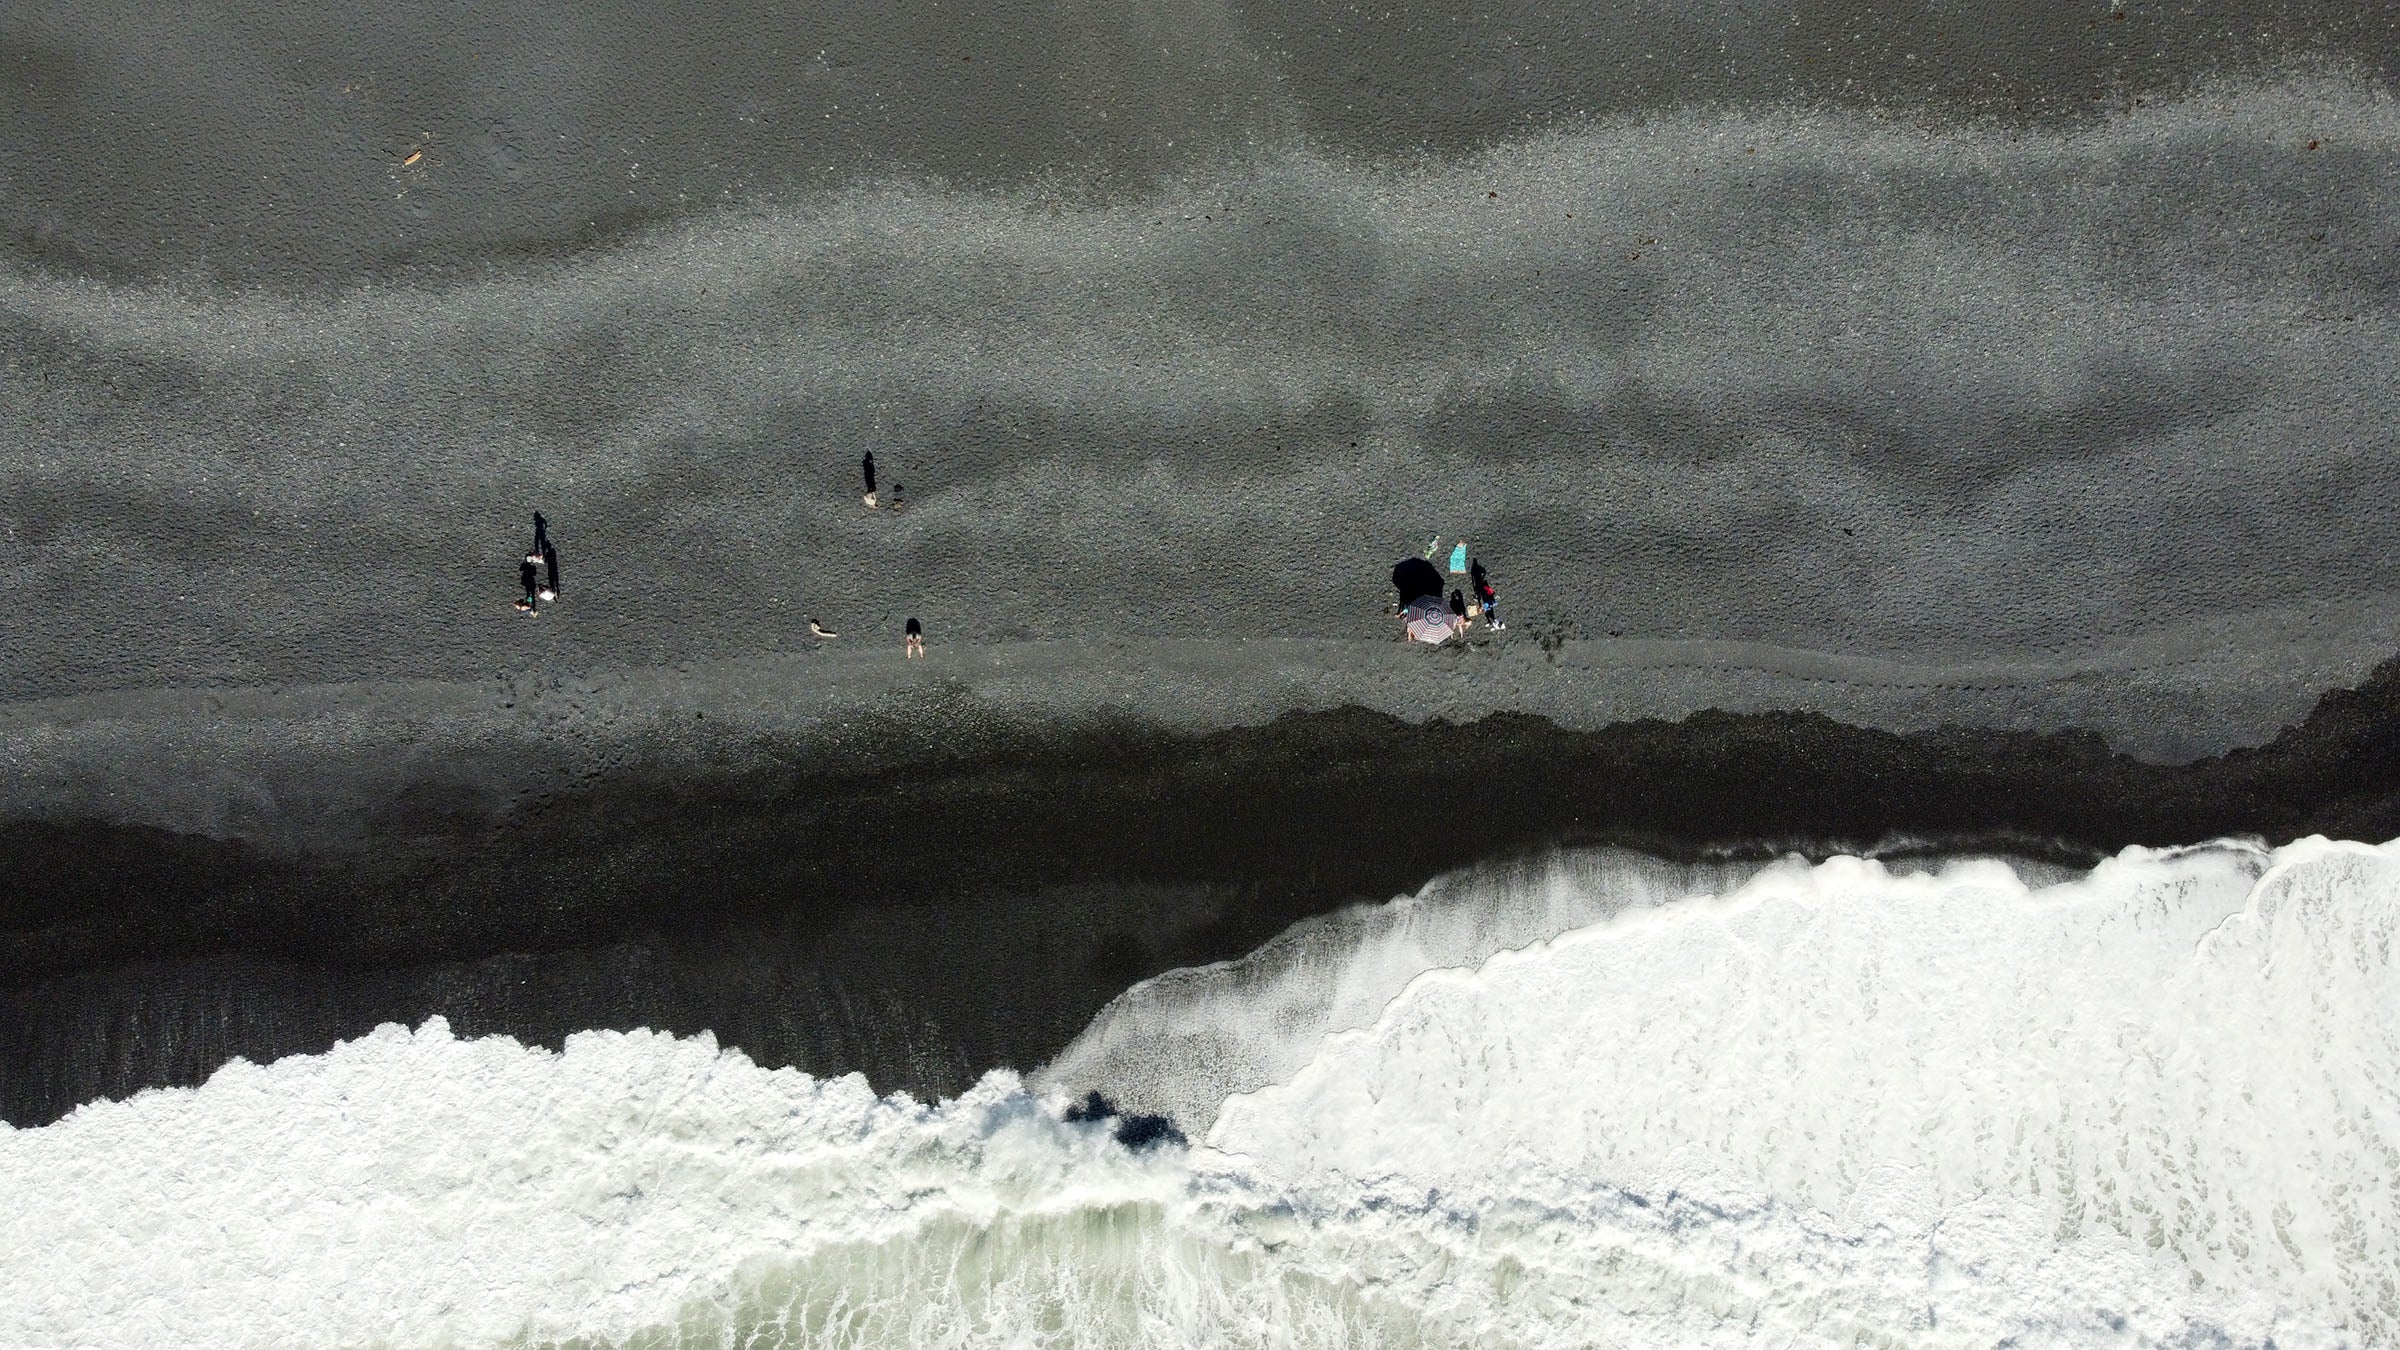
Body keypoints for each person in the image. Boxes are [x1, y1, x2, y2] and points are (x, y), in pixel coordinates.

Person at [1470, 557, 1502, 630]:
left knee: (1488, 612)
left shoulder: (1487, 591)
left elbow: (1487, 596)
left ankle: (1490, 621)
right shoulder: (1486, 590)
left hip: (1486, 601)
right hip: (1486, 601)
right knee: (1488, 612)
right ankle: (1490, 621)